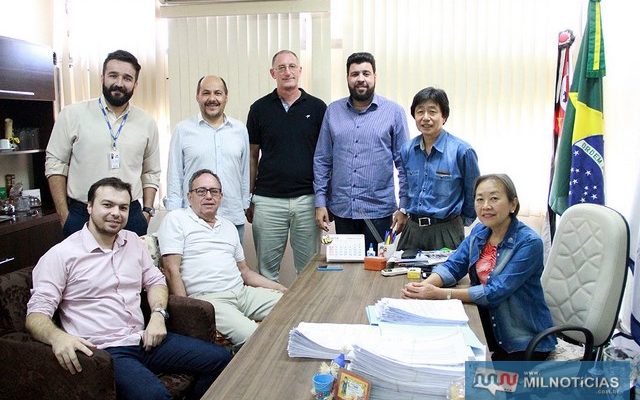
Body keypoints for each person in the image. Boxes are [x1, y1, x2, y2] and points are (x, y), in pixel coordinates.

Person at [26, 177, 230, 400]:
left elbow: (155, 281)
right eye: (107, 205)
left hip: (145, 339)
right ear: (90, 206)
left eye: (123, 207)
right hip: (106, 352)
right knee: (154, 396)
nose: (116, 213)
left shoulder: (132, 241)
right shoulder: (61, 255)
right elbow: (36, 316)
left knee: (222, 359)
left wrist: (158, 316)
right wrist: (58, 338)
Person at [401, 174, 556, 361]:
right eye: (479, 199)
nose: (485, 206)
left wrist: (440, 294)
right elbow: (454, 265)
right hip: (486, 325)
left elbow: (494, 292)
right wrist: (425, 286)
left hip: (521, 342)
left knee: (465, 378)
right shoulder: (479, 232)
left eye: (494, 198)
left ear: (512, 204)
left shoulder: (529, 243)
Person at [158, 169, 287, 346]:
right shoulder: (176, 219)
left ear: (221, 196)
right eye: (201, 191)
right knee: (254, 337)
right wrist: (188, 311)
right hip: (211, 301)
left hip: (243, 294)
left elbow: (245, 272)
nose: (208, 196)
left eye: (214, 191)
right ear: (189, 196)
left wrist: (282, 289)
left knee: (294, 307)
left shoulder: (228, 226)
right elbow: (171, 270)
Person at [46, 50, 161, 237]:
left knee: (130, 267)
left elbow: (151, 172)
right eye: (113, 75)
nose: (119, 83)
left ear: (135, 84)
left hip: (129, 215)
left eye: (127, 78)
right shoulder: (72, 115)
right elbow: (55, 165)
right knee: (82, 267)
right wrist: (64, 215)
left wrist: (147, 212)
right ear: (102, 77)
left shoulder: (146, 123)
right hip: (82, 214)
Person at [314, 52, 409, 251]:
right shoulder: (333, 111)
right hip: (342, 210)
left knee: (377, 272)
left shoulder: (393, 112)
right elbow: (323, 160)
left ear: (375, 76)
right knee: (346, 271)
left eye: (366, 73)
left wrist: (404, 207)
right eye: (354, 74)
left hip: (379, 211)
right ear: (347, 78)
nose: (360, 79)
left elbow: (404, 164)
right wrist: (320, 202)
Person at [246, 50, 327, 281]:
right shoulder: (259, 109)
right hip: (268, 200)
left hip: (307, 200)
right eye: (281, 68)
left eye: (292, 66)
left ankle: (306, 315)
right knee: (266, 272)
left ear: (300, 71)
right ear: (273, 73)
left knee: (309, 272)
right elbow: (252, 155)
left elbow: (325, 158)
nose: (287, 72)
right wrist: (249, 196)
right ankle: (270, 316)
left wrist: (323, 199)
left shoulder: (318, 108)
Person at [393, 87, 480, 251]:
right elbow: (405, 186)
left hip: (446, 229)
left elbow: (473, 192)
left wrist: (461, 222)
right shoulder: (407, 150)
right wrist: (403, 209)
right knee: (404, 275)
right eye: (420, 112)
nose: (425, 118)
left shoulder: (462, 151)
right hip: (412, 230)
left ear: (444, 116)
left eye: (432, 112)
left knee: (446, 275)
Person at [165, 75, 250, 242]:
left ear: (226, 96)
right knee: (196, 267)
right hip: (193, 220)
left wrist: (245, 205)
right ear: (197, 96)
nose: (212, 99)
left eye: (218, 93)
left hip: (232, 218)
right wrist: (174, 215)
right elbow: (175, 175)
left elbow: (244, 172)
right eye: (206, 93)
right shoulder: (182, 130)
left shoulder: (240, 130)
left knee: (232, 267)